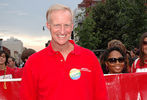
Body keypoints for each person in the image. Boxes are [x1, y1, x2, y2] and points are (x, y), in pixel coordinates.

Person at [20, 4, 108, 100]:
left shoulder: (89, 57)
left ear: (72, 26)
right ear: (48, 26)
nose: (62, 31)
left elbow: (101, 95)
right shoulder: (34, 62)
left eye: (66, 25)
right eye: (57, 25)